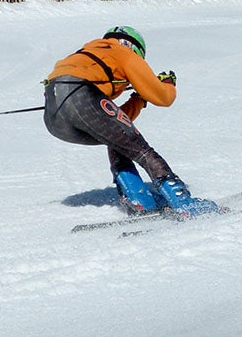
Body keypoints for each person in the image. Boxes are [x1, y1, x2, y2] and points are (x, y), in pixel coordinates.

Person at [43, 25, 218, 216]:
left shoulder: (89, 54)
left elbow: (114, 121)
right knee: (140, 149)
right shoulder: (125, 53)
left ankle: (139, 199)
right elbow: (164, 98)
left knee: (117, 137)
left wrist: (138, 99)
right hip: (79, 95)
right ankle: (182, 202)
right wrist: (167, 84)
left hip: (54, 114)